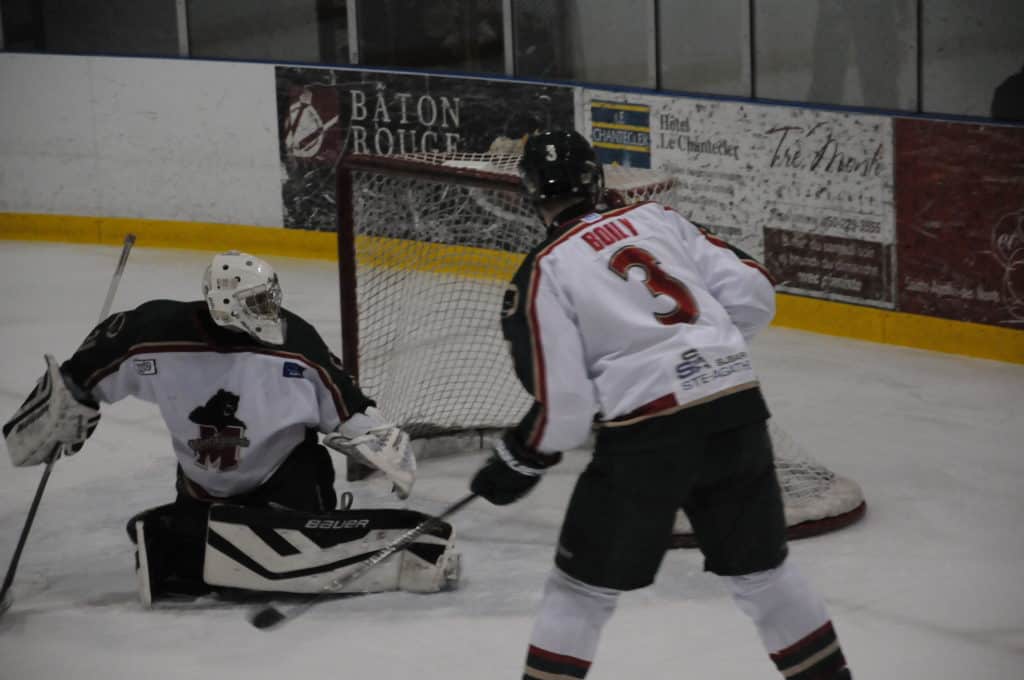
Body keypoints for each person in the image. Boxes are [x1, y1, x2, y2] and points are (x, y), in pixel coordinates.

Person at [470, 130, 853, 678]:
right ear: (596, 180)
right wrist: (698, 353)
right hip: (735, 413)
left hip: (649, 439)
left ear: (529, 192)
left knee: (578, 592)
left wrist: (518, 461)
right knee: (764, 576)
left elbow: (567, 410)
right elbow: (754, 297)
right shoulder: (659, 221)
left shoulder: (542, 272)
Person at [4, 250, 457, 604]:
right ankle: (215, 536)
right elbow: (79, 376)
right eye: (258, 301)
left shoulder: (295, 342)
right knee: (182, 543)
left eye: (270, 297)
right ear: (223, 303)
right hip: (203, 483)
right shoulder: (151, 334)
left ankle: (271, 533)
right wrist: (62, 407)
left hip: (287, 478)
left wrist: (379, 442)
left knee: (253, 532)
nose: (270, 309)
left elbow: (346, 402)